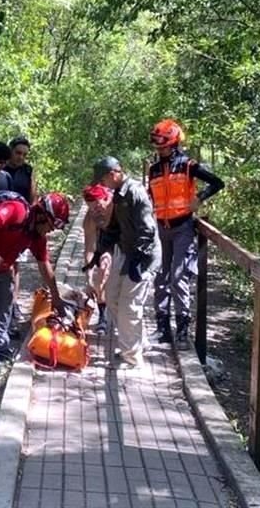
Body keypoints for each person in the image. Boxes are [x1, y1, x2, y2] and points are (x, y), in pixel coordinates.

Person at [0, 192, 70, 371]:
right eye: (52, 224)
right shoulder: (16, 210)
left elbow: (45, 266)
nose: (52, 230)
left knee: (5, 299)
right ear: (42, 215)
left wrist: (56, 298)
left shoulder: (36, 236)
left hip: (1, 265)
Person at [147, 119, 225, 348]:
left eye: (162, 145)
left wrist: (199, 199)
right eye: (156, 146)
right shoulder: (153, 170)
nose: (158, 149)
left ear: (172, 142)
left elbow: (217, 183)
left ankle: (182, 329)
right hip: (162, 228)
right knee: (161, 276)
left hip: (183, 228)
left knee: (178, 276)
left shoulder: (188, 165)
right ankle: (162, 328)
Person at [92, 156, 161, 369]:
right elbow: (115, 227)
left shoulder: (135, 192)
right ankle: (138, 342)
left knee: (129, 306)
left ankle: (132, 358)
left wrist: (138, 260)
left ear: (114, 174)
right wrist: (100, 251)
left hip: (144, 257)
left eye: (103, 180)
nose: (102, 185)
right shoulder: (119, 195)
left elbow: (147, 229)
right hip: (127, 254)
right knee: (112, 297)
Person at [4, 136, 38, 336]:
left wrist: (31, 221)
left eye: (25, 154)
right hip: (1, 222)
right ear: (11, 151)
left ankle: (14, 302)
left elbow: (32, 197)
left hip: (21, 224)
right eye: (18, 153)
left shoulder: (28, 171)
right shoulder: (1, 169)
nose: (21, 157)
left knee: (15, 265)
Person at [81, 183, 117, 335]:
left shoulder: (117, 209)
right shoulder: (90, 219)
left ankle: (117, 316)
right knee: (99, 275)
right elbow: (89, 248)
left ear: (106, 199)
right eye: (91, 208)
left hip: (123, 241)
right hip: (103, 243)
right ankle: (103, 316)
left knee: (114, 279)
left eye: (97, 206)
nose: (95, 211)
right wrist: (89, 277)